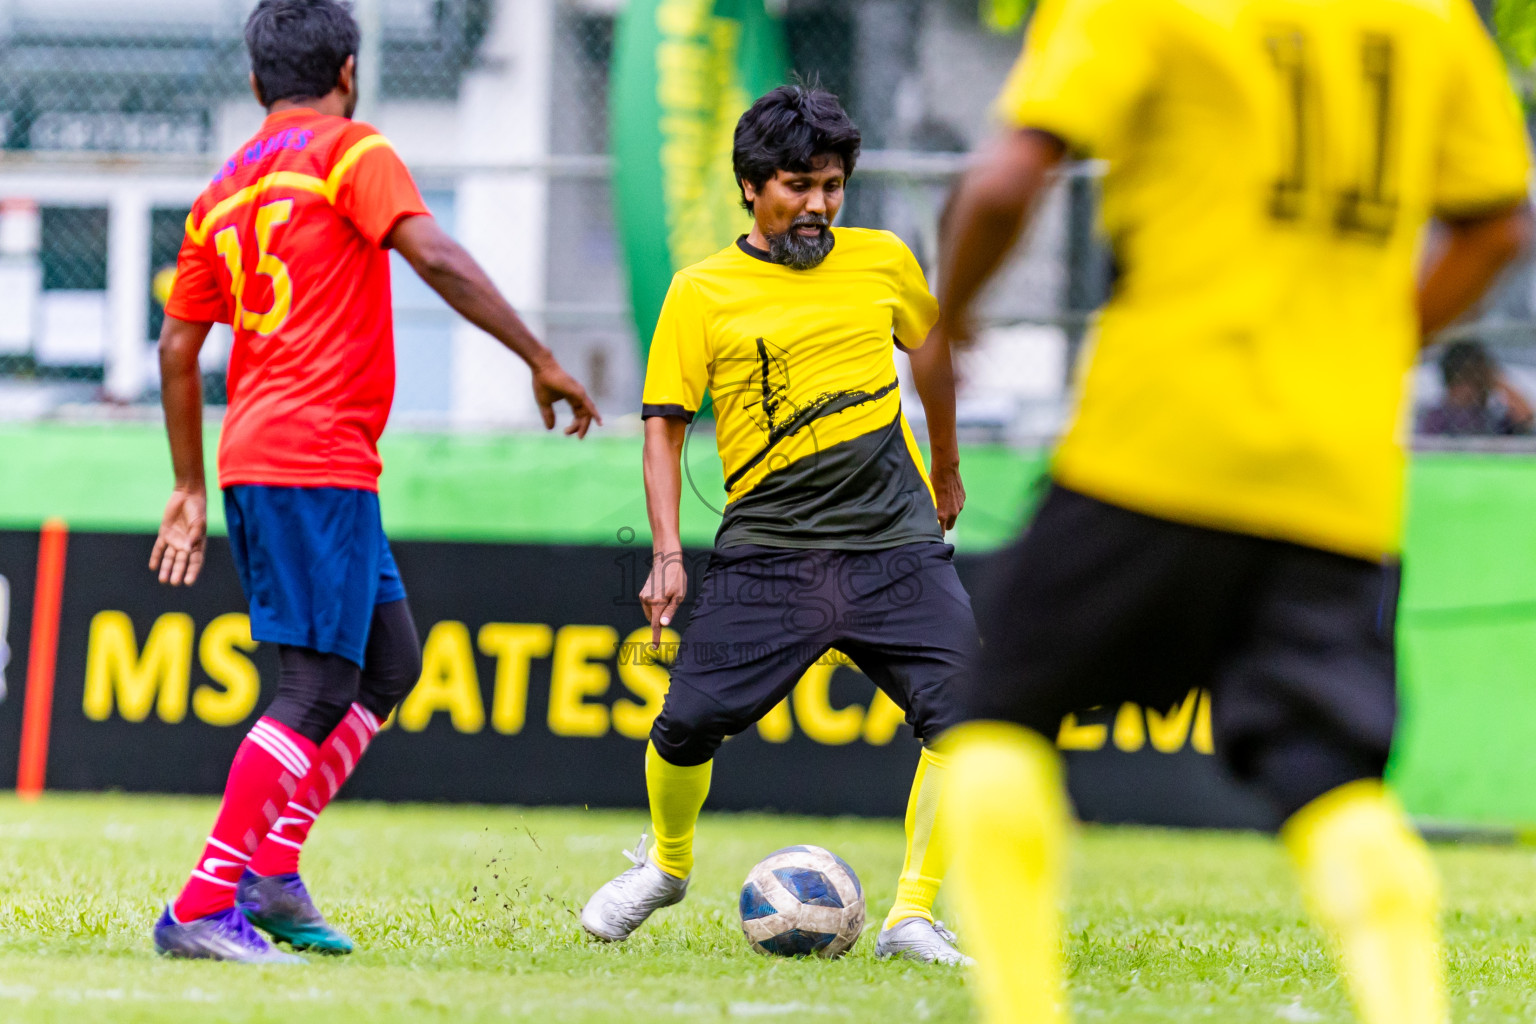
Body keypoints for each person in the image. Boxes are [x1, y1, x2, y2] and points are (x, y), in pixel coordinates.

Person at [932, 0, 1531, 1021]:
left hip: (1155, 443)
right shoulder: (1430, 19)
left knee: (999, 724)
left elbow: (1001, 180)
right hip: (1335, 473)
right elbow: (1500, 224)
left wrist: (951, 320)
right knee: (1331, 774)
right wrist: (1374, 343)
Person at [149, 0, 599, 963]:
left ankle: (270, 870)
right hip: (309, 459)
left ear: (259, 78)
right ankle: (202, 901)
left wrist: (189, 482)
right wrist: (538, 355)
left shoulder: (220, 192)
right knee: (313, 687)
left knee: (388, 662)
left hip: (279, 457)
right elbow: (430, 250)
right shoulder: (352, 151)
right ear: (348, 69)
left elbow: (179, 346)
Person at [578, 85, 977, 965]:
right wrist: (668, 551)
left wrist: (945, 466)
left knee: (969, 715)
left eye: (833, 186)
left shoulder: (883, 263)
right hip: (771, 551)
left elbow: (935, 351)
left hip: (894, 543)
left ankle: (912, 916)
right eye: (800, 185)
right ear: (752, 186)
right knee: (685, 725)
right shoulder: (700, 292)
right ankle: (667, 868)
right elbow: (663, 426)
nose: (820, 207)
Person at [1418, 339, 1534, 435]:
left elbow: (1527, 418)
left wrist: (1495, 380)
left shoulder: (1490, 415)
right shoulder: (1436, 419)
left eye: (1482, 382)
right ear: (1453, 384)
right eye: (1466, 380)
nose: (1481, 389)